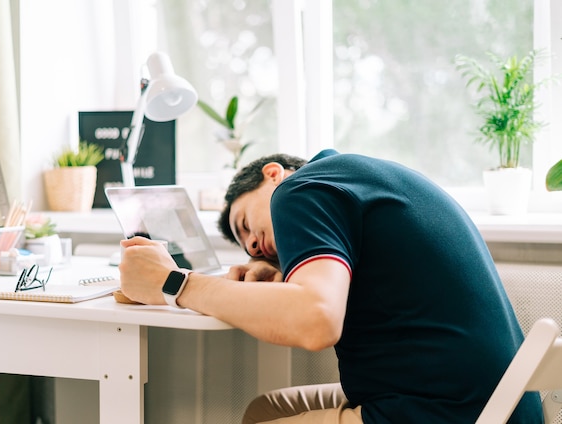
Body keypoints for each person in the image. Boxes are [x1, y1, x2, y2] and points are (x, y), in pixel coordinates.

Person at [119, 149, 543, 423]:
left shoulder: (299, 190)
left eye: (245, 223)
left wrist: (173, 281)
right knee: (264, 411)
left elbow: (317, 321)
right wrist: (282, 276)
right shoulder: (354, 178)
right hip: (505, 402)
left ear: (272, 175)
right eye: (246, 245)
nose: (251, 244)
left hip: (447, 413)